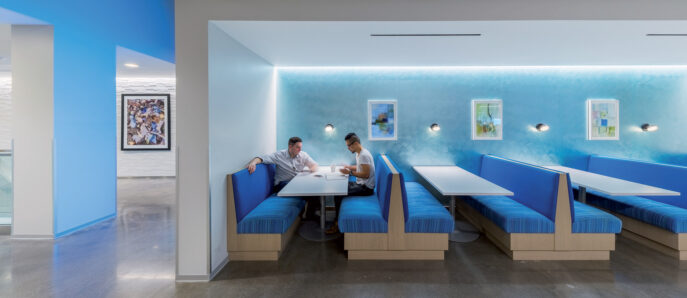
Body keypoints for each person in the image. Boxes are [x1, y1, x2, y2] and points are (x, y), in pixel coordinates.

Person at [326, 133, 375, 234]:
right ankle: (337, 221)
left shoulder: (364, 155)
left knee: (338, 192)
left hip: (365, 188)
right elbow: (360, 167)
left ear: (356, 143)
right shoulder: (360, 153)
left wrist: (350, 172)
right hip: (361, 184)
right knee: (339, 188)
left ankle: (337, 224)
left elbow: (366, 174)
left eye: (349, 145)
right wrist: (349, 166)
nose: (348, 148)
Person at [246, 136, 318, 194]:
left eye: (300, 147)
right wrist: (253, 162)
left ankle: (314, 211)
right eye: (297, 147)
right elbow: (262, 158)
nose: (300, 149)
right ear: (290, 146)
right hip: (282, 184)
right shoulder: (279, 155)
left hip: (296, 183)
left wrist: (311, 170)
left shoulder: (303, 155)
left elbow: (314, 165)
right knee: (304, 189)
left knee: (313, 188)